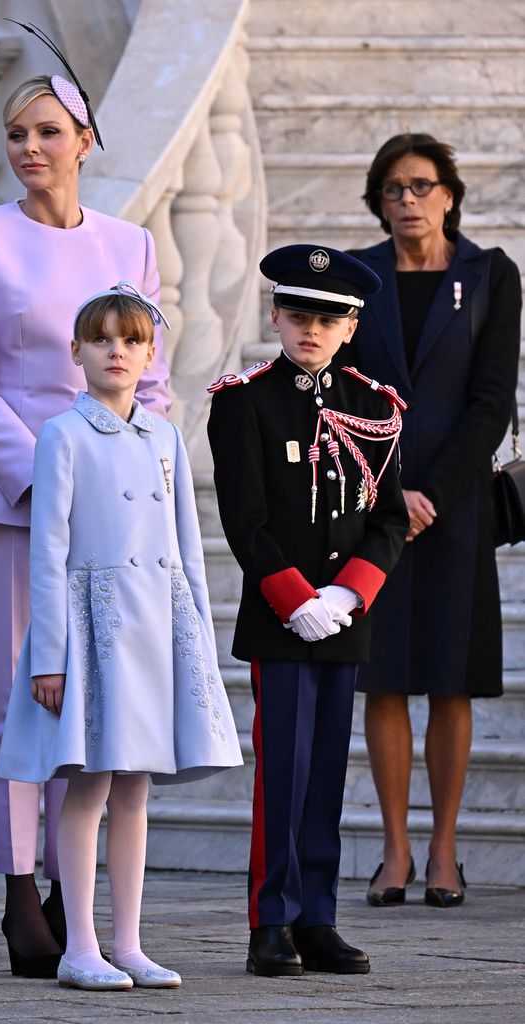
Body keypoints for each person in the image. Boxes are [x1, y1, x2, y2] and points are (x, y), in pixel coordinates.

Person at [0, 72, 170, 976]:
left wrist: (130, 472)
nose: (29, 148)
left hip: (111, 511)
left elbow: (148, 377)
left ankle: (83, 907)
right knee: (13, 705)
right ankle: (16, 890)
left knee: (98, 701)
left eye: (47, 132)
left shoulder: (130, 242)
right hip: (13, 502)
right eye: (17, 133)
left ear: (85, 141)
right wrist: (53, 476)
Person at [0, 283, 242, 992]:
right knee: (90, 787)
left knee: (135, 789)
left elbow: (185, 544)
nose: (117, 351)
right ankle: (79, 946)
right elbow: (48, 550)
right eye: (101, 339)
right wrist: (50, 656)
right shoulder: (62, 435)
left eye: (131, 340)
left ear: (150, 352)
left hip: (156, 627)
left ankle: (128, 943)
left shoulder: (164, 433)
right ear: (75, 351)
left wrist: (193, 629)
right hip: (92, 629)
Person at [207, 245, 409, 978]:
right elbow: (245, 521)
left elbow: (388, 519)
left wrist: (349, 592)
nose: (311, 330)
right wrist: (296, 600)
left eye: (328, 319)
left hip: (343, 618)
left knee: (327, 771)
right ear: (276, 317)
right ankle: (271, 921)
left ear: (351, 328)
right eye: (298, 315)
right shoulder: (244, 401)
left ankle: (317, 918)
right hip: (280, 618)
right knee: (282, 774)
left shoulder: (373, 406)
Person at [349, 133, 521, 909]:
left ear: (449, 194)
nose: (407, 201)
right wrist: (391, 494)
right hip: (368, 506)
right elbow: (338, 393)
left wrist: (436, 494)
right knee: (382, 677)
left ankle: (445, 854)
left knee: (450, 681)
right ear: (378, 202)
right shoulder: (356, 279)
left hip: (456, 514)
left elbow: (492, 404)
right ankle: (395, 853)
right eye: (393, 189)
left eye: (421, 186)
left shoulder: (492, 276)